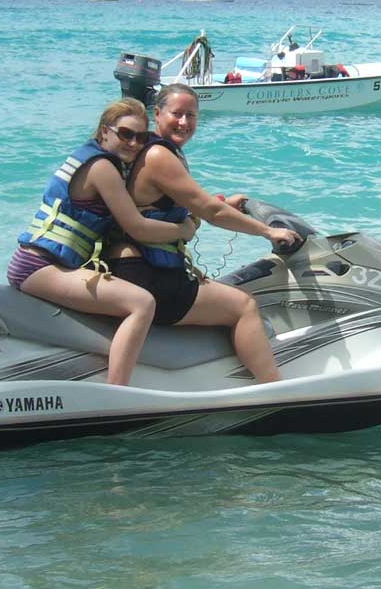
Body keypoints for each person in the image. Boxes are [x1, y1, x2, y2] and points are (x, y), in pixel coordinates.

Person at [103, 82, 302, 382]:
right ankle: (274, 388)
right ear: (157, 113)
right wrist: (267, 232)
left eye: (192, 115)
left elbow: (189, 203)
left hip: (136, 267)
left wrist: (222, 201)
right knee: (244, 306)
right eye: (177, 114)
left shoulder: (152, 151)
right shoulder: (158, 155)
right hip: (147, 275)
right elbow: (211, 213)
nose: (184, 122)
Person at [6, 99, 198, 386]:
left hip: (43, 263)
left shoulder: (96, 160)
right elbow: (137, 226)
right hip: (39, 266)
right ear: (104, 131)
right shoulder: (103, 169)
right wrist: (182, 230)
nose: (134, 143)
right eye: (125, 134)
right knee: (142, 303)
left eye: (141, 137)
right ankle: (117, 391)